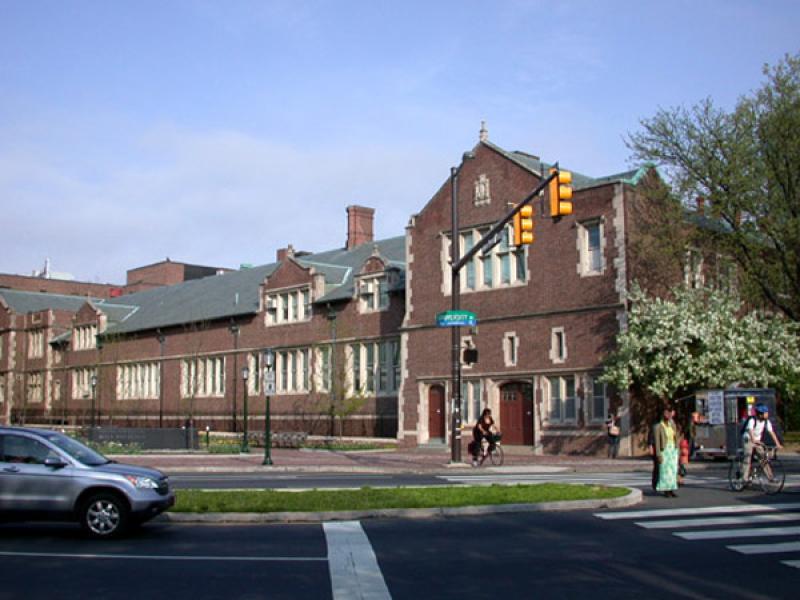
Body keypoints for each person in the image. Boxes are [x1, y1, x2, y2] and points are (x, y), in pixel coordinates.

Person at [741, 403, 783, 481]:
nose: (767, 415)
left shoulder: (766, 422)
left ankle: (771, 478)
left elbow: (772, 432)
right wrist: (753, 440)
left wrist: (778, 444)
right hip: (748, 439)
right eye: (765, 413)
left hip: (757, 441)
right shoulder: (752, 420)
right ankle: (744, 478)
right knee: (747, 457)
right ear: (760, 414)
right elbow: (750, 430)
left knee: (763, 459)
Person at [654, 405, 680, 497]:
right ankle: (666, 490)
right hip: (664, 450)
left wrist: (677, 449)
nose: (668, 415)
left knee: (673, 471)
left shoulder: (672, 425)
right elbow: (657, 442)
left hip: (672, 449)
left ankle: (672, 489)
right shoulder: (658, 427)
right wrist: (658, 455)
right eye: (666, 413)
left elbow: (676, 436)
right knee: (665, 471)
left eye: (669, 413)